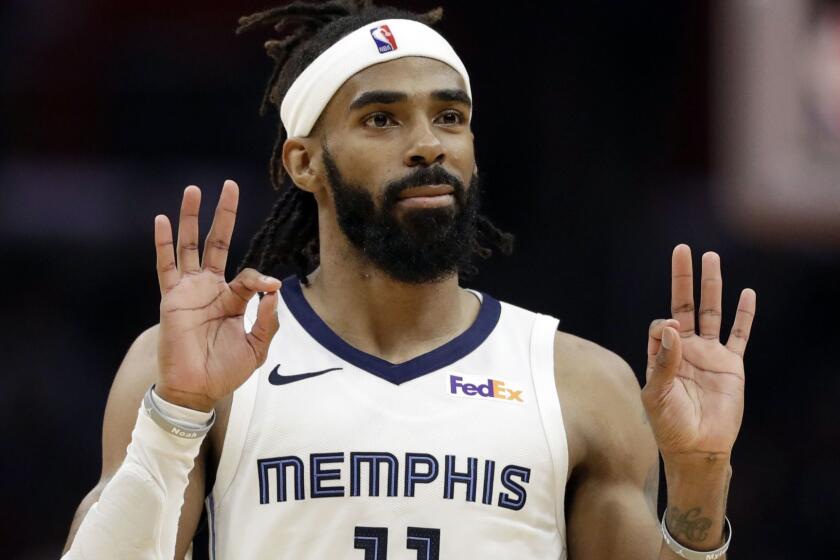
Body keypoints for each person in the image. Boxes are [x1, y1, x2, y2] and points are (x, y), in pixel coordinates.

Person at [61, 1, 756, 558]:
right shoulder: (203, 368)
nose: (428, 142)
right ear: (304, 162)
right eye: (382, 118)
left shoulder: (582, 385)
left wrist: (700, 481)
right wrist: (178, 413)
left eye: (450, 117)